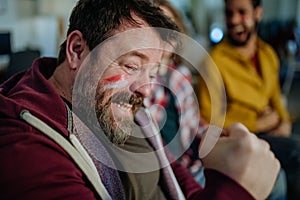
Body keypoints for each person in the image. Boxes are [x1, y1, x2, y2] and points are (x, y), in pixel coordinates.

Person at [0, 0, 280, 199]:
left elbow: (174, 176)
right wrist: (234, 190)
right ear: (76, 50)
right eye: (132, 66)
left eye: (154, 72)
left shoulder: (113, 108)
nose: (146, 90)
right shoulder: (26, 147)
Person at [198, 0, 300, 199]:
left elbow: (275, 98)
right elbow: (208, 119)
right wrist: (258, 122)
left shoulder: (268, 54)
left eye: (242, 12)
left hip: (272, 131)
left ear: (258, 14)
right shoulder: (214, 61)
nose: (234, 20)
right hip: (240, 138)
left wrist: (283, 120)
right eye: (229, 13)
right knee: (288, 163)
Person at [144, 0, 206, 186]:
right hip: (165, 171)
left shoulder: (181, 76)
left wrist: (214, 135)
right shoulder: (141, 80)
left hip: (191, 162)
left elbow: (193, 125)